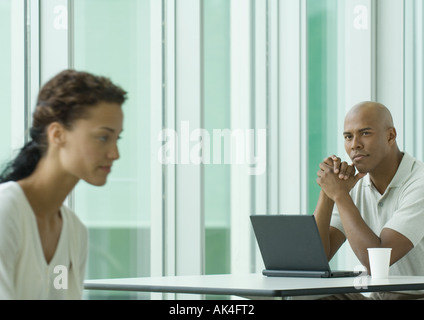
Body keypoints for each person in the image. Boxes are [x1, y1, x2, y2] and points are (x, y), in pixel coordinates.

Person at [0, 70, 127, 299]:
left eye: (117, 138)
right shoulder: (6, 210)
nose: (114, 153)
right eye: (102, 137)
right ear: (57, 134)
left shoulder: (75, 231)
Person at [314, 101, 424, 300]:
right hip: (375, 297)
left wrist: (339, 195)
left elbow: (376, 262)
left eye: (365, 133)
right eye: (348, 136)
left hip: (414, 297)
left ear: (391, 136)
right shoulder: (353, 186)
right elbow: (315, 260)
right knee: (305, 296)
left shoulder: (419, 182)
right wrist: (327, 194)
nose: (355, 144)